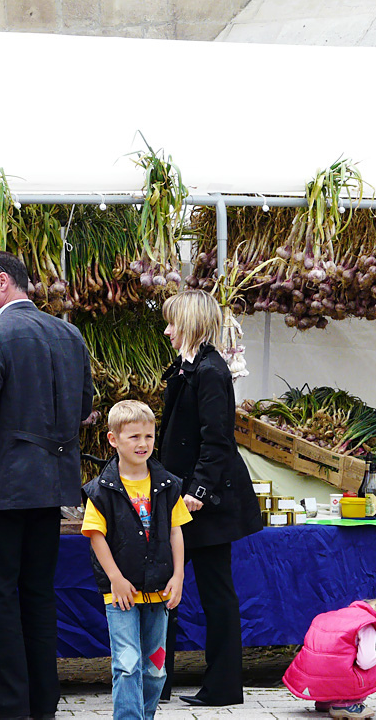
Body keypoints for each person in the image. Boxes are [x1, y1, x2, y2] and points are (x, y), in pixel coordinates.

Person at [0, 251, 94, 720]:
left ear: (4, 282)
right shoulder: (69, 333)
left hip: (5, 486)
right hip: (53, 485)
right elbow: (84, 406)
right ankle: (41, 702)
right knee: (38, 593)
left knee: (0, 594)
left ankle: (10, 703)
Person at [157, 289, 262, 707]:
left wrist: (198, 491)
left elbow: (217, 440)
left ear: (192, 325)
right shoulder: (189, 368)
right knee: (173, 588)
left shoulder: (211, 371)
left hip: (207, 503)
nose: (166, 330)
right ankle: (159, 680)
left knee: (215, 593)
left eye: (172, 323)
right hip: (187, 495)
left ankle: (220, 687)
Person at [81, 400, 192, 720]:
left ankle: (144, 715)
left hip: (159, 592)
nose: (143, 444)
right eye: (134, 437)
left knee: (156, 669)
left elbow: (176, 532)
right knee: (127, 664)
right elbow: (95, 536)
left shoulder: (168, 485)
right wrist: (115, 578)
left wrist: (179, 576)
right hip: (120, 594)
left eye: (149, 436)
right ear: (113, 439)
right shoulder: (102, 489)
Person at [283, 599, 376, 719]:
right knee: (375, 664)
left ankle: (326, 699)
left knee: (335, 660)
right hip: (333, 673)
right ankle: (345, 704)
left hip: (309, 674)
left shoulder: (339, 615)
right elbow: (365, 661)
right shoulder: (368, 625)